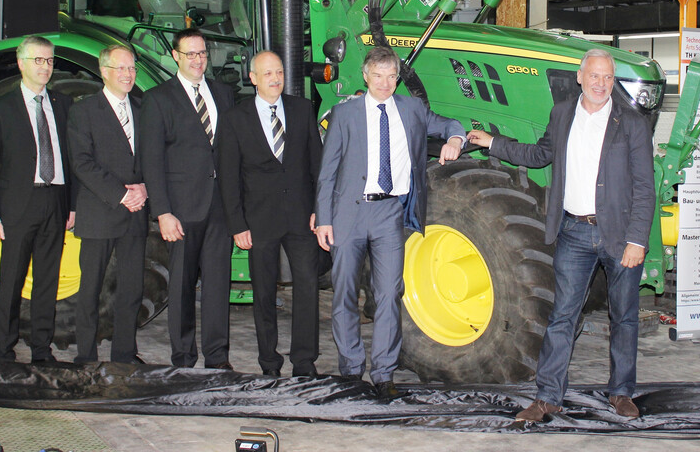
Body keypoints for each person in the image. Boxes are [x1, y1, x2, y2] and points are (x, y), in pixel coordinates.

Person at [467, 48, 656, 422]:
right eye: (595, 76)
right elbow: (541, 155)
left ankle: (621, 393)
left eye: (607, 77)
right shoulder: (563, 113)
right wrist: (494, 143)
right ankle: (548, 397)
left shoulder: (631, 122)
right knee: (562, 317)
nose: (601, 83)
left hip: (619, 236)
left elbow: (644, 187)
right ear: (580, 78)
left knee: (625, 318)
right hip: (573, 231)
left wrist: (638, 240)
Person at [314, 46, 465, 399]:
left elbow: (449, 124)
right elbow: (327, 171)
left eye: (391, 76)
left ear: (398, 79)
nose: (385, 83)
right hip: (348, 213)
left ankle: (384, 373)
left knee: (388, 295)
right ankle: (351, 370)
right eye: (378, 76)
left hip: (389, 214)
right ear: (366, 76)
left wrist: (456, 138)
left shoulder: (412, 109)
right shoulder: (345, 113)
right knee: (346, 295)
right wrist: (323, 219)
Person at [218, 50, 323, 377]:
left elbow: (317, 165)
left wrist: (322, 209)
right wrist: (237, 224)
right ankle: (269, 363)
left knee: (307, 289)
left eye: (278, 72)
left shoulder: (302, 109)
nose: (275, 78)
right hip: (258, 221)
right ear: (253, 79)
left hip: (302, 217)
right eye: (267, 74)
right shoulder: (236, 118)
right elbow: (229, 176)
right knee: (264, 294)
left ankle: (304, 363)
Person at [140, 28, 235, 369]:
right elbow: (152, 161)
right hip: (181, 210)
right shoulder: (158, 99)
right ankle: (182, 356)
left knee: (217, 286)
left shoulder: (224, 94)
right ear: (176, 57)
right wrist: (163, 212)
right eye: (190, 54)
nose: (197, 60)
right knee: (180, 286)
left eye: (202, 54)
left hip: (220, 208)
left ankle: (217, 356)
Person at [0, 35, 74, 363]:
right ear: (21, 64)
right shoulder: (1, 107)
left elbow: (71, 160)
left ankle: (41, 349)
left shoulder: (64, 105)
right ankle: (4, 349)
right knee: (12, 281)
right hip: (18, 207)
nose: (45, 67)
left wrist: (72, 205)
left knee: (47, 282)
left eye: (49, 60)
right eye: (38, 60)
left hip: (56, 203)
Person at [67, 44, 148, 365]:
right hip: (101, 212)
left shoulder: (143, 110)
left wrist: (144, 189)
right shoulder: (83, 111)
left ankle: (124, 354)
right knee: (90, 291)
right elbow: (82, 163)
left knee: (131, 291)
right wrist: (122, 194)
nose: (128, 74)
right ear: (104, 72)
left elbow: (151, 159)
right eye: (121, 68)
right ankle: (86, 356)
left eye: (132, 68)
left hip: (136, 215)